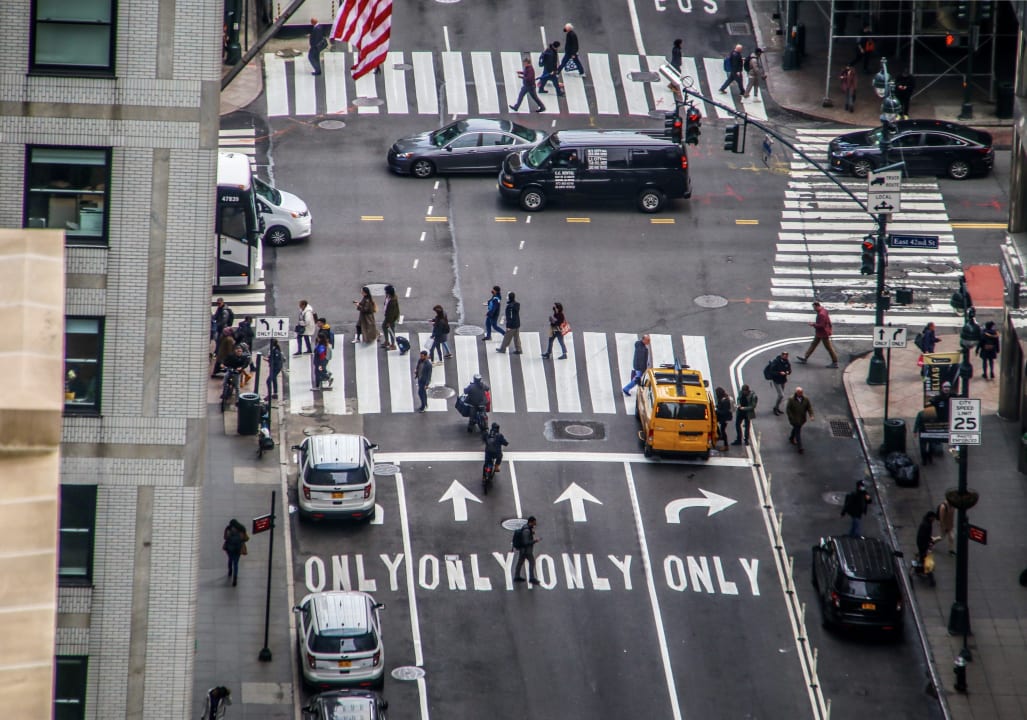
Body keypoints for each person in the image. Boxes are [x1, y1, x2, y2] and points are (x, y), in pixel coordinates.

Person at [795, 301, 839, 367]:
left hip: (823, 333)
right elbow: (828, 321)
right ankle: (805, 357)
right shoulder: (824, 310)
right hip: (821, 333)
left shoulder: (821, 314)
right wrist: (830, 328)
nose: (814, 309)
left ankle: (835, 362)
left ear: (817, 306)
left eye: (814, 307)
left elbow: (821, 325)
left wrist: (813, 324)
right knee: (813, 344)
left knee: (829, 348)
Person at [786, 386, 814, 453]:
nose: (801, 394)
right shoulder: (791, 399)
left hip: (802, 419)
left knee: (796, 429)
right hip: (794, 419)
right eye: (799, 392)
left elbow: (809, 407)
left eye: (801, 392)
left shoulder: (806, 399)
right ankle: (800, 447)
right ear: (796, 393)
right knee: (798, 432)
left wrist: (811, 415)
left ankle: (791, 438)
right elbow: (788, 409)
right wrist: (791, 417)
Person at [222, 519, 248, 587]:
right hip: (238, 549)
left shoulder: (228, 529)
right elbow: (246, 538)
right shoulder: (241, 529)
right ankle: (235, 579)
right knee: (236, 563)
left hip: (229, 549)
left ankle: (230, 571)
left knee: (230, 560)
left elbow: (225, 537)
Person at [915, 510, 939, 585]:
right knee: (927, 561)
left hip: (922, 544)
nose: (934, 520)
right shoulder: (927, 525)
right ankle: (931, 580)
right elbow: (924, 536)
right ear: (930, 517)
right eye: (933, 518)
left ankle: (919, 570)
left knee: (923, 559)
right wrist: (929, 543)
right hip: (924, 545)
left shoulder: (926, 523)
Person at [513, 516, 539, 583]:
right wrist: (535, 541)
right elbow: (526, 542)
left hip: (523, 551)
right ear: (531, 522)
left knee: (520, 563)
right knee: (532, 562)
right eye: (534, 522)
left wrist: (531, 533)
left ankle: (517, 576)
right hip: (526, 551)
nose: (535, 523)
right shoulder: (526, 530)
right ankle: (531, 578)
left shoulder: (526, 528)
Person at [381, 284, 399, 351]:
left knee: (391, 330)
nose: (385, 292)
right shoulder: (388, 297)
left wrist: (389, 322)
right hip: (388, 316)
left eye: (386, 291)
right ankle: (387, 342)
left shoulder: (393, 301)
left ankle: (393, 345)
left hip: (391, 318)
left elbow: (391, 313)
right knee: (384, 327)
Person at [714, 387, 733, 451]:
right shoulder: (721, 399)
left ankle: (726, 445)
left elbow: (725, 411)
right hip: (722, 416)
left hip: (725, 418)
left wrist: (717, 411)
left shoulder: (725, 401)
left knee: (723, 431)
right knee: (715, 424)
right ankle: (719, 435)